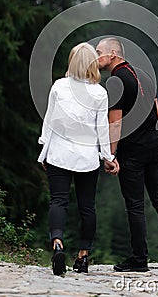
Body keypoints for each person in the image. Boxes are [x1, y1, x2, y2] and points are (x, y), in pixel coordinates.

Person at [96, 37, 158, 272]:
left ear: (113, 53)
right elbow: (156, 110)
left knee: (135, 205)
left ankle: (139, 259)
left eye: (99, 52)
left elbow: (114, 123)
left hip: (132, 149)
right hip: (154, 144)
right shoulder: (144, 74)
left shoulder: (115, 81)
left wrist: (111, 154)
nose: (96, 57)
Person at [38, 42, 119, 275]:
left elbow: (49, 122)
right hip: (87, 158)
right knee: (87, 207)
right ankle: (83, 256)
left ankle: (57, 243)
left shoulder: (59, 87)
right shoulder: (99, 93)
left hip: (58, 153)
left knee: (58, 201)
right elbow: (101, 129)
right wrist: (108, 157)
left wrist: (44, 150)